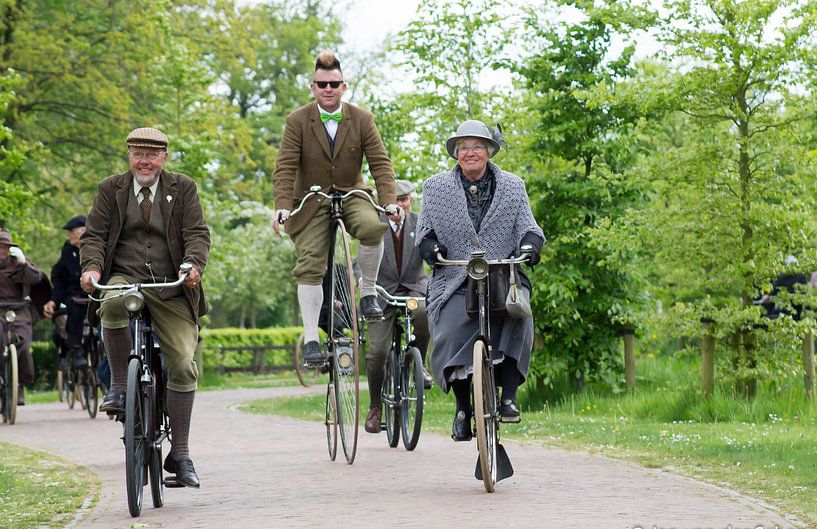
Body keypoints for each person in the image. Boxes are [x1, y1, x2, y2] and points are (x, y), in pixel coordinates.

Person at [80, 127, 210, 488]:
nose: (145, 161)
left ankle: (180, 453)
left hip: (171, 285)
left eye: (152, 154)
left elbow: (198, 233)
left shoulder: (183, 188)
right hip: (125, 275)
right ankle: (121, 386)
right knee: (113, 301)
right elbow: (93, 235)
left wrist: (193, 265)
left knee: (183, 364)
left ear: (164, 157)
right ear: (129, 156)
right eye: (138, 153)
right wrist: (91, 268)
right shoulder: (111, 189)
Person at [416, 119, 544, 441]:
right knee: (446, 328)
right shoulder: (435, 188)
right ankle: (462, 407)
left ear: (489, 151)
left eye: (476, 146)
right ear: (455, 153)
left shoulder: (513, 186)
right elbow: (424, 233)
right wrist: (431, 248)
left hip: (504, 274)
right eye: (463, 147)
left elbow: (529, 227)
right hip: (455, 277)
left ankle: (509, 396)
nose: (470, 153)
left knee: (520, 316)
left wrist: (530, 245)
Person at [271, 50, 400, 367]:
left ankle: (367, 291)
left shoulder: (362, 119)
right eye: (322, 84)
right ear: (313, 88)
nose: (328, 89)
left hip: (351, 192)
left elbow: (380, 164)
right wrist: (282, 207)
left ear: (344, 87)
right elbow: (284, 168)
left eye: (334, 84)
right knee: (311, 262)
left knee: (372, 227)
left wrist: (389, 200)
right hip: (311, 199)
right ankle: (312, 338)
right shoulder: (297, 121)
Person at [362, 179, 433, 434]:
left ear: (411, 200)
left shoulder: (420, 223)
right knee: (377, 352)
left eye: (404, 199)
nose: (399, 205)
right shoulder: (374, 226)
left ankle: (420, 364)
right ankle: (374, 407)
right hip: (382, 294)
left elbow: (432, 251)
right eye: (395, 200)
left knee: (424, 313)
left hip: (414, 288)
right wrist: (363, 284)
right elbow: (363, 260)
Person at [0, 229, 50, 405]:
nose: (2, 251)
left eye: (5, 247)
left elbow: (36, 279)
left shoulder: (19, 263)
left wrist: (23, 263)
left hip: (19, 310)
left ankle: (18, 384)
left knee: (22, 344)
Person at [44, 216, 90, 370]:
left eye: (72, 231)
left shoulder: (96, 247)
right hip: (75, 294)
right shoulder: (68, 251)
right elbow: (61, 281)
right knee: (74, 307)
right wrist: (53, 301)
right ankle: (76, 349)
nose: (69, 235)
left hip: (95, 292)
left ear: (84, 231)